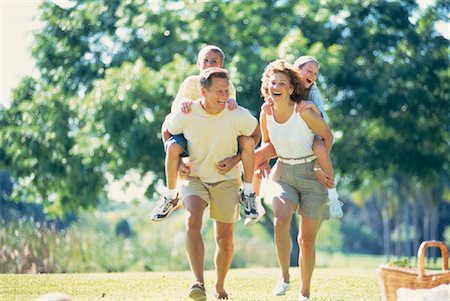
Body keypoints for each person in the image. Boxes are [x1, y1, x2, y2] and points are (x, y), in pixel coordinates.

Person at [162, 67, 260, 300]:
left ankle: (219, 286)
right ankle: (198, 282)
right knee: (192, 218)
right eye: (219, 91)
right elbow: (167, 132)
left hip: (226, 180)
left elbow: (255, 136)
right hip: (195, 178)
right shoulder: (187, 112)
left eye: (226, 90)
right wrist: (178, 160)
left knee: (224, 239)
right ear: (202, 92)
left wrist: (236, 159)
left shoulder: (236, 113)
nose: (224, 95)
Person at [150, 45, 259, 222]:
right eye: (205, 60)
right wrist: (178, 161)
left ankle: (248, 194)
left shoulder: (227, 85)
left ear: (222, 66)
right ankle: (170, 195)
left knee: (245, 139)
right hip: (188, 132)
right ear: (198, 63)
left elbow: (228, 113)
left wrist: (230, 103)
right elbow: (175, 115)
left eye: (214, 61)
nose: (209, 64)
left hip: (214, 132)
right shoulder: (190, 83)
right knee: (172, 147)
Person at [257, 60, 333, 300]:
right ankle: (284, 277)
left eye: (282, 83)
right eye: (273, 83)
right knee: (280, 220)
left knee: (305, 240)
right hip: (285, 173)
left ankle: (305, 292)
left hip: (313, 176)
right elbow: (267, 144)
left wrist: (320, 166)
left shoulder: (305, 110)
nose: (276, 87)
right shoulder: (265, 112)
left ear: (291, 88)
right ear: (267, 87)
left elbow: (327, 136)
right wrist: (260, 164)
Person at [247, 55, 342, 227]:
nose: (313, 76)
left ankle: (333, 195)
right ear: (297, 71)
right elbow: (268, 132)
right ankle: (253, 203)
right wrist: (263, 163)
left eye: (315, 73)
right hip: (284, 140)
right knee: (254, 158)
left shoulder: (312, 91)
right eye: (309, 71)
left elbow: (322, 120)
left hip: (312, 136)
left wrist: (311, 106)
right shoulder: (280, 87)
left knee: (320, 150)